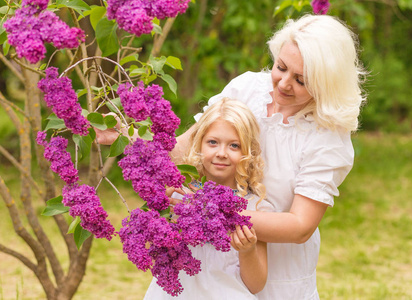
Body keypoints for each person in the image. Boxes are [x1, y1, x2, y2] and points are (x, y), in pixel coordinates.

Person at [172, 14, 367, 299]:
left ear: (326, 83)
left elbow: (300, 226)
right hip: (214, 267)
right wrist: (126, 136)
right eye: (281, 67)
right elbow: (187, 147)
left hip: (277, 275)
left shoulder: (328, 137)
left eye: (301, 80)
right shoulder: (247, 89)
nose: (284, 84)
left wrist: (212, 212)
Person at [144, 97, 274, 299]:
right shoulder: (179, 195)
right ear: (199, 144)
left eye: (234, 146)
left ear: (249, 152)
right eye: (213, 142)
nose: (221, 153)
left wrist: (247, 251)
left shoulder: (254, 208)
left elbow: (256, 284)